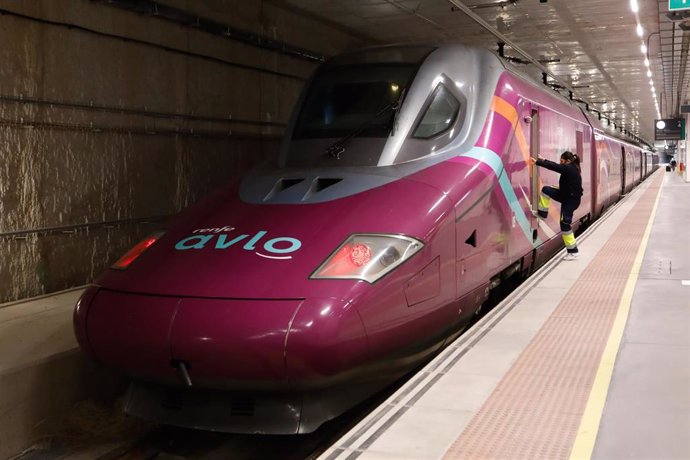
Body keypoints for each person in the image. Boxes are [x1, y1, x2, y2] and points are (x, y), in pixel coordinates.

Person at [530, 151, 584, 261]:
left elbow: (555, 167)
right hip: (566, 196)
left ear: (568, 161)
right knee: (546, 190)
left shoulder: (569, 168)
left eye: (562, 161)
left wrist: (539, 162)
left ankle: (573, 252)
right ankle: (543, 213)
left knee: (565, 224)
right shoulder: (572, 167)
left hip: (571, 201)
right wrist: (544, 160)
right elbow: (557, 167)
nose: (561, 163)